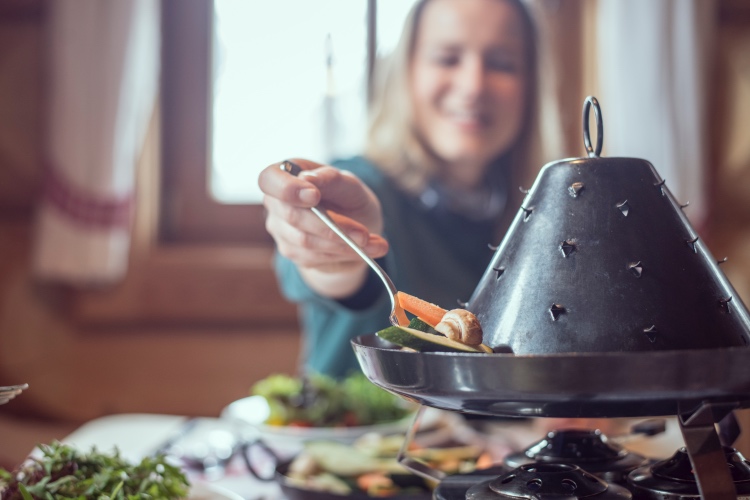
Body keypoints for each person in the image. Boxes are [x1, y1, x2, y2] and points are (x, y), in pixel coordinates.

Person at [258, 0, 556, 378]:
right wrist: (335, 252)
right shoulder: (362, 186)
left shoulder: (542, 217)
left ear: (531, 86)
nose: (473, 85)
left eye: (501, 64)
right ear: (407, 73)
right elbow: (326, 274)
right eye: (447, 58)